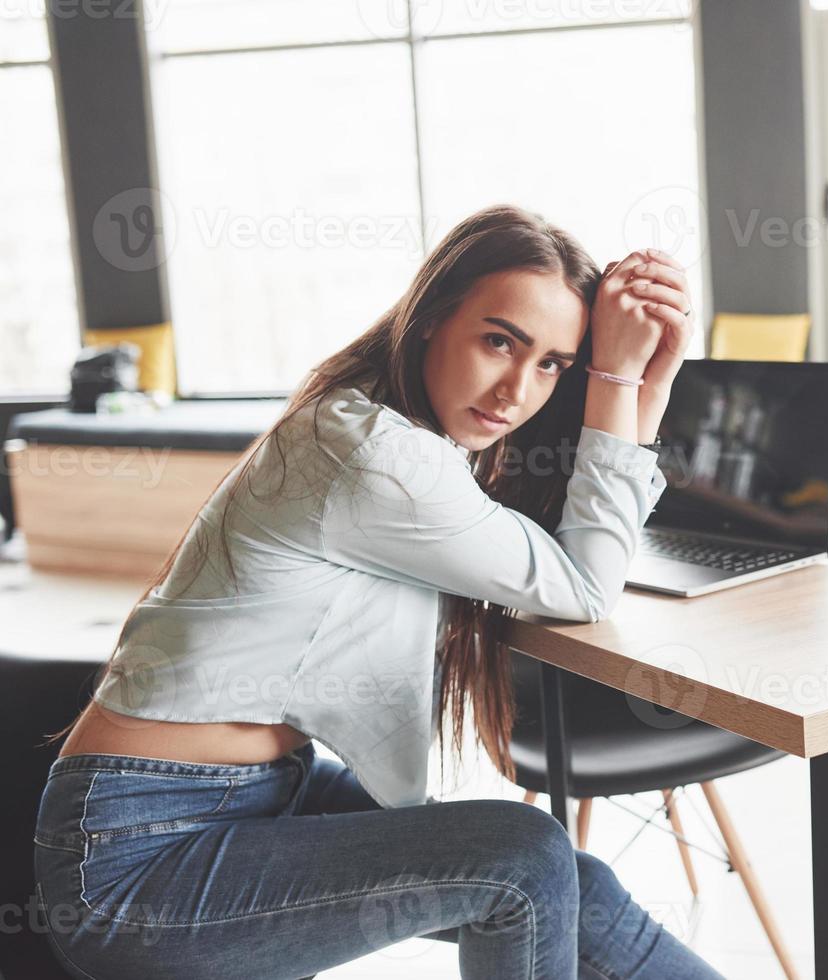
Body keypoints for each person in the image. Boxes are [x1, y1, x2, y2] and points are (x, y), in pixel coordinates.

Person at [31, 204, 724, 979]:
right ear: (431, 319)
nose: (515, 390)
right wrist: (618, 377)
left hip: (252, 798)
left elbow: (569, 571)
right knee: (521, 858)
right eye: (500, 341)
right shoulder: (376, 455)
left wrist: (646, 382)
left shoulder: (384, 424)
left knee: (568, 879)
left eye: (552, 364)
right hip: (140, 858)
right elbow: (583, 587)